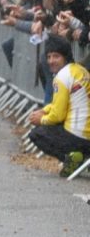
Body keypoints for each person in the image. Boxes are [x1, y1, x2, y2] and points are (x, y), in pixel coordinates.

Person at [28, 35, 90, 177]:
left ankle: (74, 159)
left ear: (65, 57)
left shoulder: (61, 77)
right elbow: (59, 104)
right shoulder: (80, 71)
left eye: (56, 56)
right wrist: (44, 110)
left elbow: (58, 115)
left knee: (37, 133)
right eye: (49, 57)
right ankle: (80, 158)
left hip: (78, 138)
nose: (51, 61)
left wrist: (41, 119)